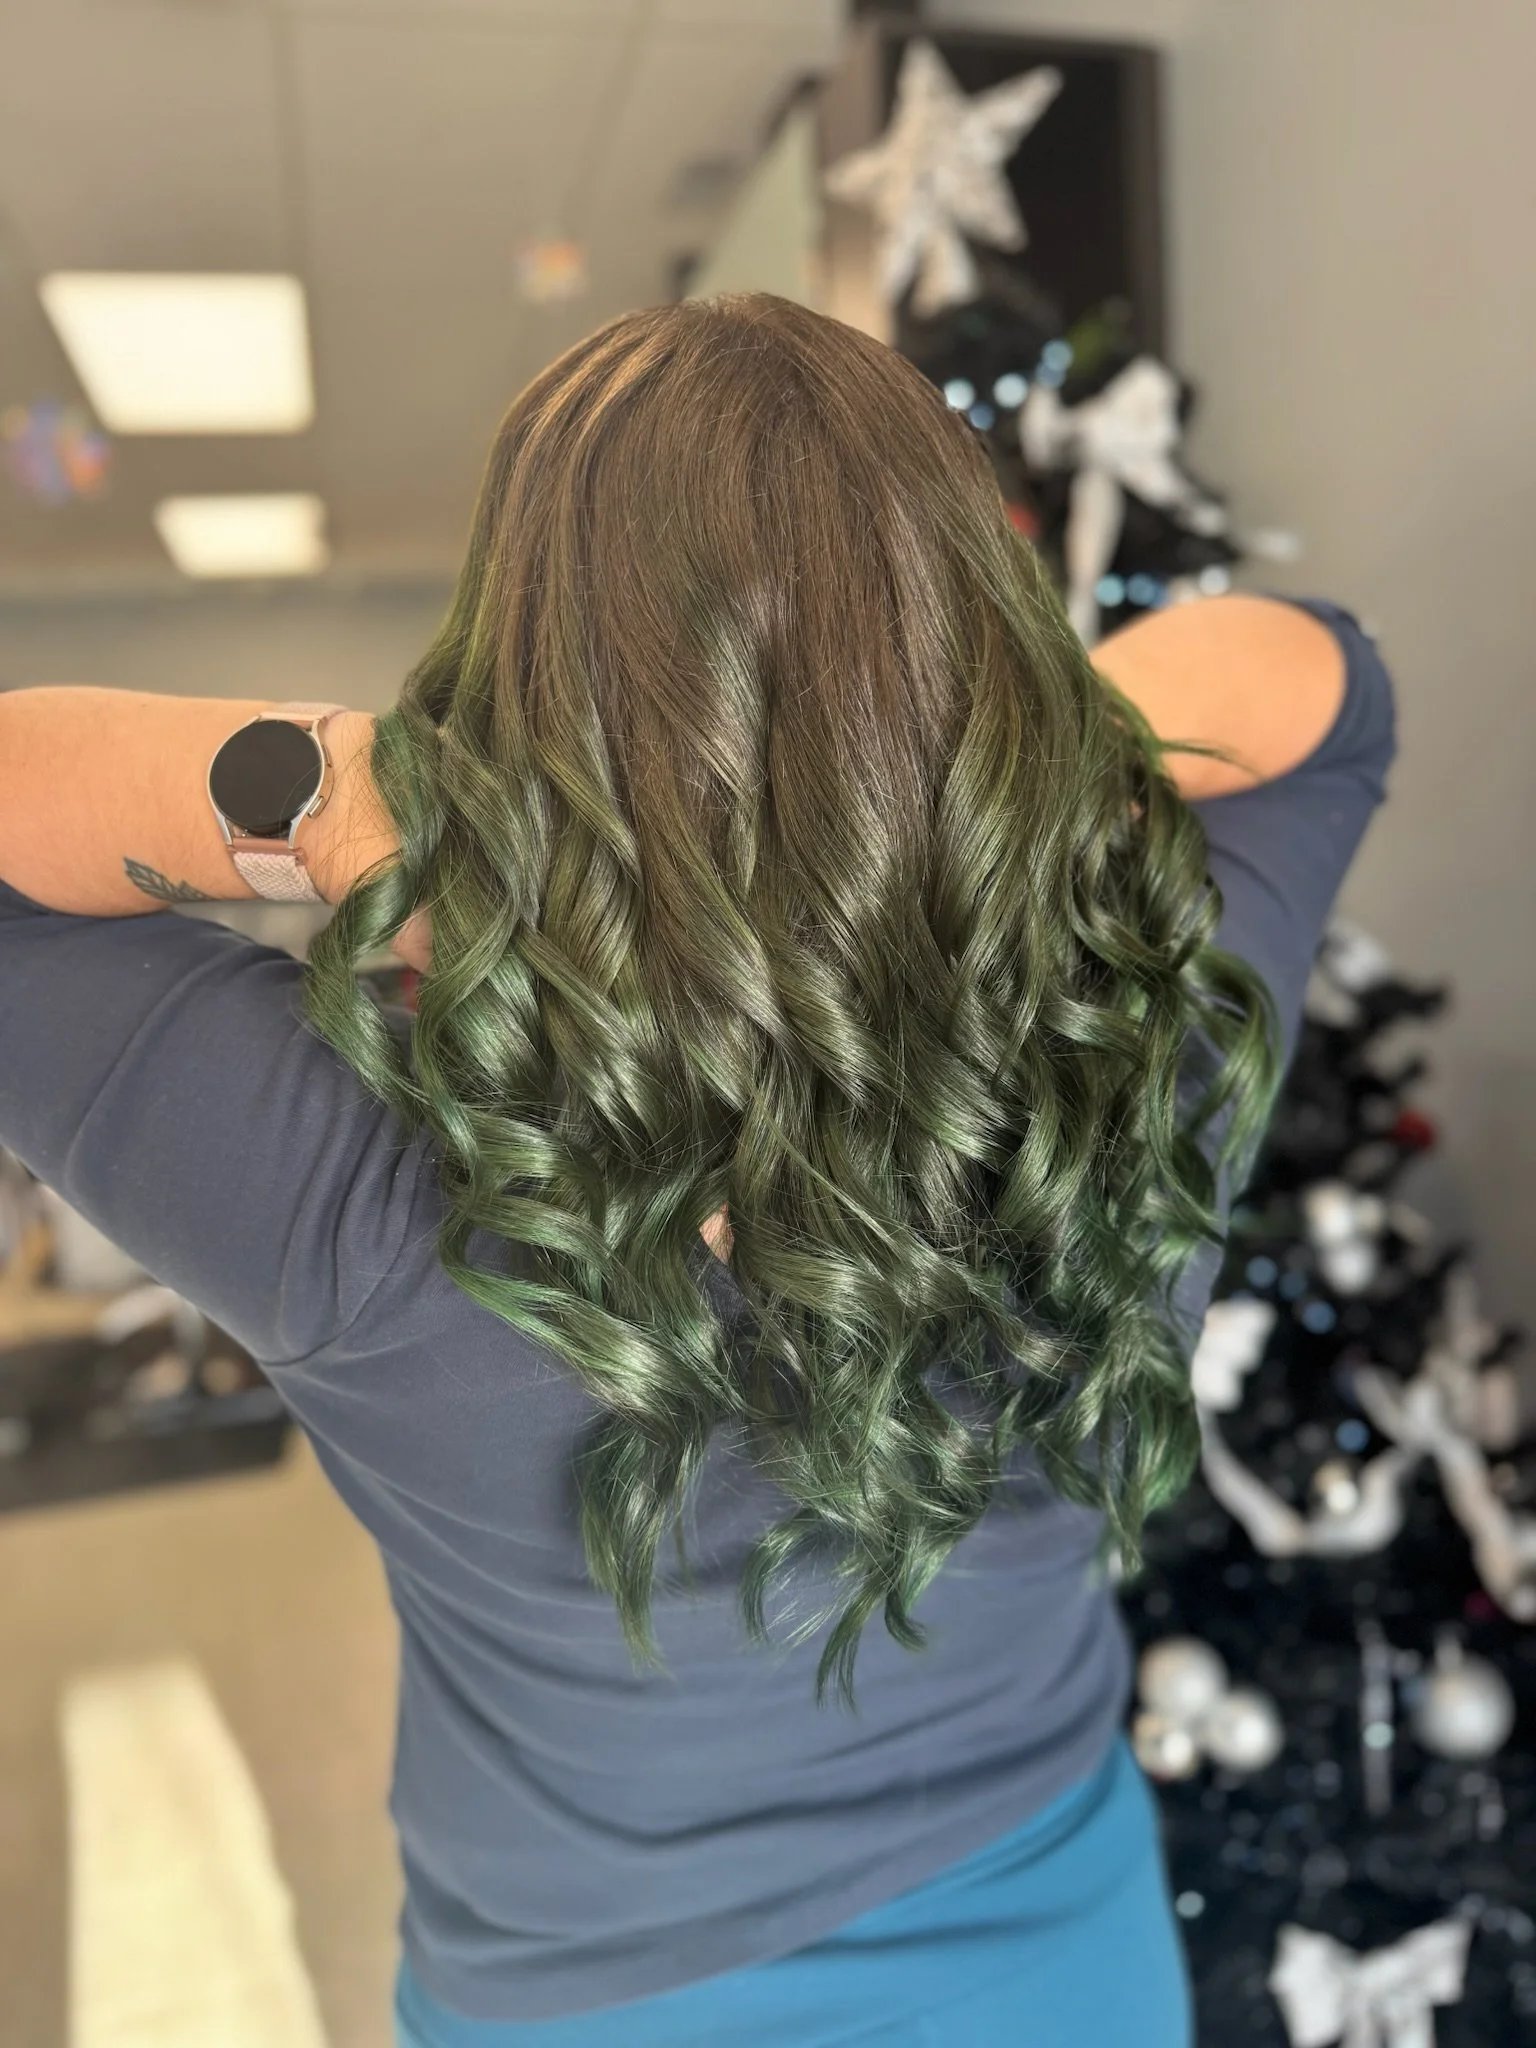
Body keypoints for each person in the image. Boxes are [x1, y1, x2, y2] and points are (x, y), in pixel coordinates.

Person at [0, 293, 1395, 2047]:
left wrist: (387, 817)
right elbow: (1329, 684)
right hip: (1068, 1957)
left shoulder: (353, 1185)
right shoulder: (1140, 1055)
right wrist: (967, 802)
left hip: (584, 2000)